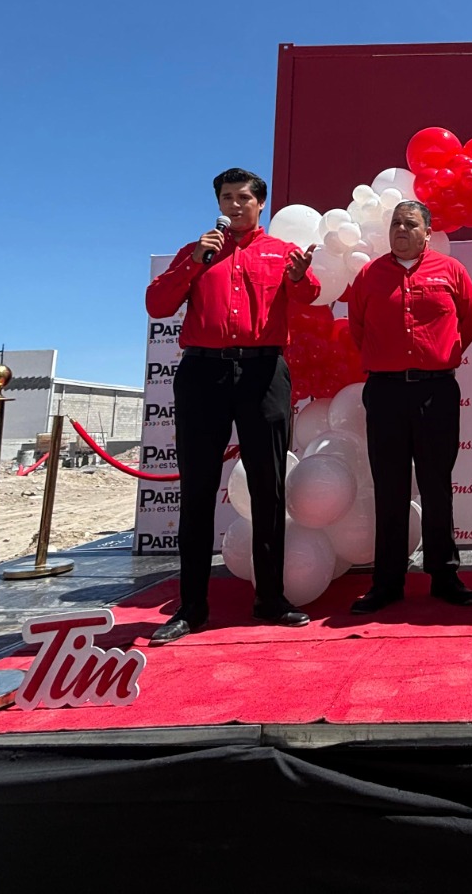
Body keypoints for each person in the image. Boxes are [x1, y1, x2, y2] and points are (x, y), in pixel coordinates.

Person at [144, 167, 320, 641]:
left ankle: (271, 599)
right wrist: (194, 263)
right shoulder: (197, 251)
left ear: (260, 203)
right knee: (198, 488)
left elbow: (309, 295)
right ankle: (191, 607)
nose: (235, 205)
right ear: (218, 204)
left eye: (244, 197)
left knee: (268, 486)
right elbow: (158, 305)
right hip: (203, 373)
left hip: (263, 372)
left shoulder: (281, 251)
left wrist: (301, 277)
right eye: (227, 198)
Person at [348, 200, 472, 614]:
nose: (400, 230)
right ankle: (387, 582)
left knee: (437, 486)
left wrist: (438, 356)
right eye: (395, 224)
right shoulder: (369, 275)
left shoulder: (451, 271)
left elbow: (468, 323)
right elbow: (357, 328)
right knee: (389, 487)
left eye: (409, 224)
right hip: (385, 392)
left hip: (435, 392)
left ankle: (444, 575)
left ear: (427, 231)